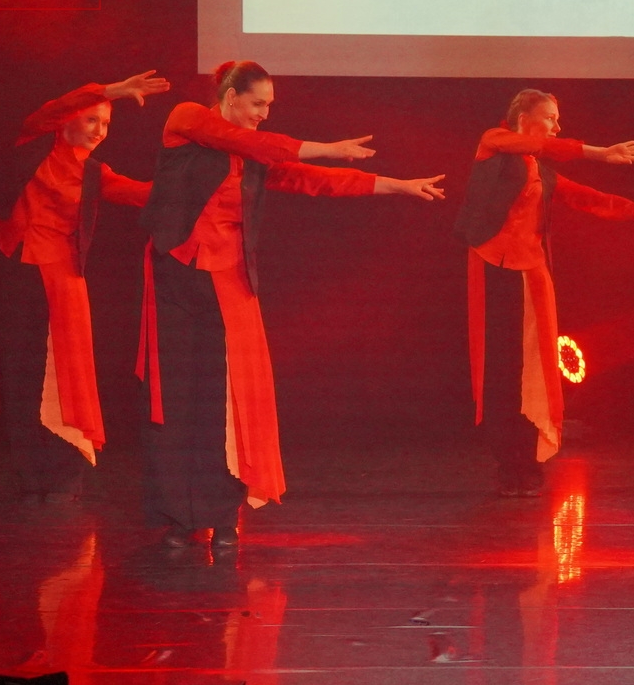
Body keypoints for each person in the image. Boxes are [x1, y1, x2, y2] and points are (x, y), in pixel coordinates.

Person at [136, 60, 446, 549]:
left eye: (269, 106)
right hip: (176, 273)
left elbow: (313, 179)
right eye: (257, 103)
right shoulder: (188, 117)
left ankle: (222, 513)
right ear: (231, 96)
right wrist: (329, 147)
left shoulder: (255, 154)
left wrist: (394, 184)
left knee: (227, 397)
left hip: (229, 280)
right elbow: (246, 141)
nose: (263, 114)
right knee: (177, 397)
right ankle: (179, 515)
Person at [453, 89, 634, 498]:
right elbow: (538, 145)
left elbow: (593, 200)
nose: (557, 126)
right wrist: (597, 152)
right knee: (502, 369)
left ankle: (528, 459)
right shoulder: (493, 142)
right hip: (494, 267)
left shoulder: (542, 173)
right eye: (551, 117)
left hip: (532, 272)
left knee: (535, 369)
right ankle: (509, 463)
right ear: (524, 117)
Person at [0, 71, 169, 504]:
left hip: (61, 280)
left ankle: (62, 471)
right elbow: (55, 108)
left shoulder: (94, 173)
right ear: (68, 120)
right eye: (92, 120)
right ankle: (30, 472)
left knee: (62, 375)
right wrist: (112, 92)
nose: (99, 130)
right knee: (18, 373)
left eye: (106, 124)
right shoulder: (37, 141)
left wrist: (195, 181)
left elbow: (144, 194)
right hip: (14, 270)